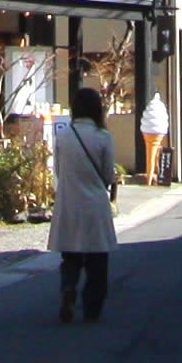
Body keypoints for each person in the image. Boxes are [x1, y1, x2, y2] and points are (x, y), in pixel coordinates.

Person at [52, 83, 121, 322]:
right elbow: (107, 174)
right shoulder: (103, 137)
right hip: (94, 204)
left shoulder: (63, 136)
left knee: (70, 257)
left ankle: (68, 288)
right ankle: (92, 308)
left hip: (68, 202)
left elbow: (59, 170)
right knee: (97, 260)